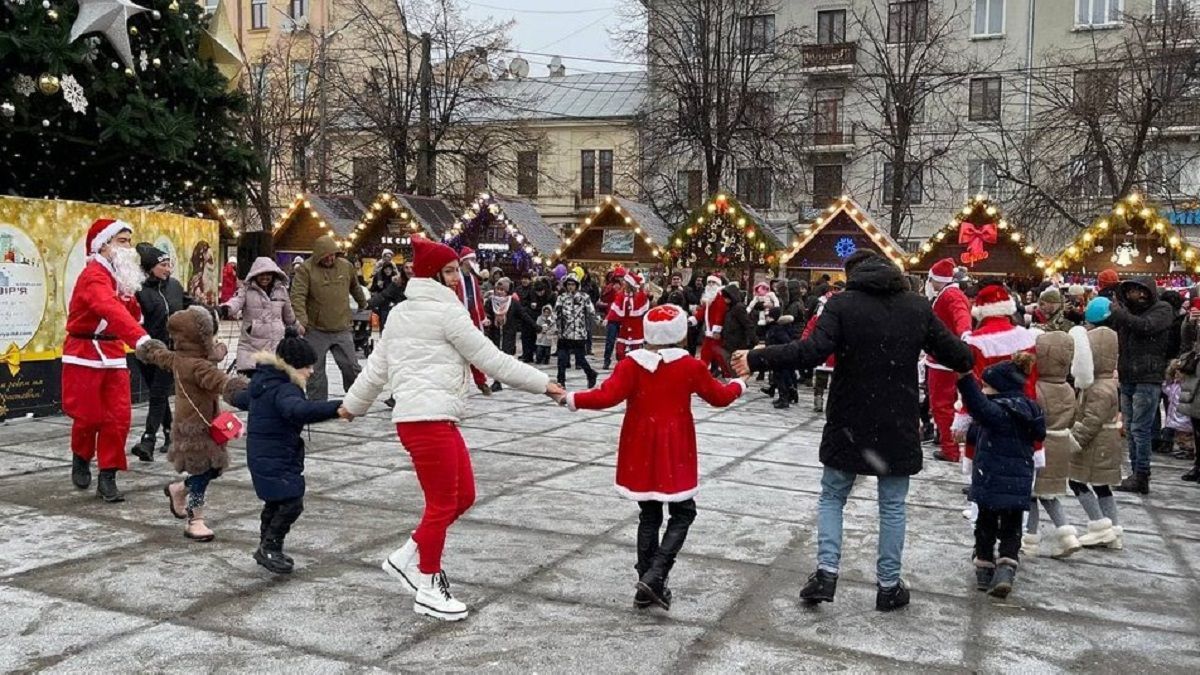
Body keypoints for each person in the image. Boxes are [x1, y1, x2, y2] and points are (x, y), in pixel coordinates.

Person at [732, 250, 973, 612]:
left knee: (833, 496)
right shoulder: (917, 307)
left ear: (853, 274)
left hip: (849, 418)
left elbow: (811, 352)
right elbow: (961, 357)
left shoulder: (843, 304)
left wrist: (758, 356)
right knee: (892, 506)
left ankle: (827, 573)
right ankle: (889, 585)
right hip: (897, 419)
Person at [339, 236, 563, 622]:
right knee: (442, 504)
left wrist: (353, 405)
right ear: (432, 275)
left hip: (434, 418)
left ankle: (407, 556)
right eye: (449, 271)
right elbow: (491, 358)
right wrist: (544, 384)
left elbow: (377, 369)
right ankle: (428, 586)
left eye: (457, 269)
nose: (457, 277)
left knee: (464, 496)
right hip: (425, 420)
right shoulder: (447, 313)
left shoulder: (406, 313)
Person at [557, 304, 746, 610]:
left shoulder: (631, 364)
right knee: (683, 512)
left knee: (650, 514)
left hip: (639, 446)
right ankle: (656, 574)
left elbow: (606, 396)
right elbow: (719, 397)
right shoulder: (690, 367)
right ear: (681, 334)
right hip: (675, 447)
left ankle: (647, 585)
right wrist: (740, 383)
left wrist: (571, 397)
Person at [230, 336, 344, 574]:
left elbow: (243, 399)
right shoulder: (285, 388)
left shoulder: (264, 381)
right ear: (292, 366)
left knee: (276, 501)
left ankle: (268, 546)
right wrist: (338, 408)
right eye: (307, 366)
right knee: (291, 502)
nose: (311, 371)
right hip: (276, 455)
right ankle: (270, 546)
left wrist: (229, 392)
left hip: (265, 454)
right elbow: (298, 410)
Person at [138, 306, 247, 542]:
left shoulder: (181, 358)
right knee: (201, 474)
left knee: (212, 469)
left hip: (207, 424)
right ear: (200, 337)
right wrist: (240, 389)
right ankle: (195, 519)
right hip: (197, 428)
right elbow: (218, 380)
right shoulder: (197, 366)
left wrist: (149, 350)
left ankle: (179, 489)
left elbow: (160, 355)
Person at [62, 218, 152, 502]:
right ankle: (81, 455)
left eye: (129, 241)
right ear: (103, 246)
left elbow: (132, 314)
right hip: (84, 353)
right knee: (89, 417)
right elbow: (108, 309)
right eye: (121, 241)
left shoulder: (119, 277)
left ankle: (108, 475)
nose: (128, 247)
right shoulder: (93, 277)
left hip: (112, 353)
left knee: (118, 418)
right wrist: (140, 339)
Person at [958, 354, 1045, 599]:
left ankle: (985, 569)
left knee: (985, 524)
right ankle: (1006, 567)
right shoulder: (1030, 409)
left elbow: (977, 405)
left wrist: (965, 379)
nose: (984, 391)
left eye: (987, 386)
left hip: (992, 480)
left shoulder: (998, 411)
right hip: (1017, 483)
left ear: (999, 388)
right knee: (1011, 527)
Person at [1101, 276, 1174, 494]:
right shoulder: (1126, 314)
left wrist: (1121, 313)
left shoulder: (1162, 310)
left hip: (1148, 376)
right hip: (1128, 376)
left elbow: (1145, 327)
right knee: (1131, 429)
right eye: (1131, 291)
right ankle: (1135, 472)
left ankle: (1142, 474)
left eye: (1139, 291)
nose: (1135, 295)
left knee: (1140, 429)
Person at [1022, 329, 1089, 560]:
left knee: (1031, 495)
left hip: (1041, 446)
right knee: (1050, 495)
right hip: (1061, 444)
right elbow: (1074, 417)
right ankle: (1067, 535)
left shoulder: (1037, 389)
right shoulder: (1069, 390)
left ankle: (1029, 539)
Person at [1068, 302, 1125, 548]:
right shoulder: (1104, 383)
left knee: (1077, 482)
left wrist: (1074, 441)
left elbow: (1091, 420)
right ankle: (1113, 531)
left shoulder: (1099, 388)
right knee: (1102, 486)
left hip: (1096, 444)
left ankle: (1100, 524)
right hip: (1103, 443)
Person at [131, 243, 193, 462]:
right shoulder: (139, 290)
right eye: (163, 265)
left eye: (169, 265)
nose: (168, 269)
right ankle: (169, 434)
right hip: (145, 351)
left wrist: (207, 313)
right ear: (150, 268)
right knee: (158, 395)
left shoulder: (174, 286)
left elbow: (189, 305)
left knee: (158, 393)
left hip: (170, 350)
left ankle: (148, 440)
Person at [290, 235, 368, 401]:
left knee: (351, 366)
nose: (330, 258)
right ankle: (317, 403)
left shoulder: (346, 267)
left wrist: (363, 303)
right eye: (326, 256)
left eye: (333, 255)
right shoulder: (305, 269)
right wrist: (302, 321)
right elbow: (298, 296)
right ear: (318, 255)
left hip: (342, 327)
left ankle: (358, 398)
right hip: (315, 329)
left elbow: (355, 286)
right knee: (316, 369)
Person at [925, 258, 973, 464]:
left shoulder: (950, 295)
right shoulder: (949, 294)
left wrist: (964, 336)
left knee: (941, 405)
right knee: (943, 405)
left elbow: (961, 318)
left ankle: (950, 448)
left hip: (943, 360)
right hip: (943, 357)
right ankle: (947, 443)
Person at [221, 257, 298, 375]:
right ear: (255, 274)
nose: (265, 277)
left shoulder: (281, 291)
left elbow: (288, 314)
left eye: (268, 274)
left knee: (273, 388)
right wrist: (225, 309)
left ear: (273, 274)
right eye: (261, 274)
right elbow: (236, 301)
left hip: (275, 347)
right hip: (251, 347)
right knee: (250, 387)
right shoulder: (246, 290)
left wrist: (297, 326)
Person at [454, 247, 492, 395]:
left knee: (475, 350)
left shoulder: (473, 279)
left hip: (473, 318)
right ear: (464, 261)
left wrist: (483, 317)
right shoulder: (457, 278)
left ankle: (481, 381)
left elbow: (479, 301)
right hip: (459, 318)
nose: (475, 263)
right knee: (458, 353)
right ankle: (459, 382)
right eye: (473, 260)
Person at [555, 276, 599, 389]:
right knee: (562, 358)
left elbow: (591, 311)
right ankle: (561, 381)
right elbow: (556, 313)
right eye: (568, 284)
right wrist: (547, 324)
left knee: (580, 358)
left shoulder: (584, 297)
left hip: (579, 333)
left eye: (573, 284)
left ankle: (590, 374)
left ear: (577, 285)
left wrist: (599, 320)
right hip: (564, 333)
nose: (570, 287)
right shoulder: (561, 298)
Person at [692, 275, 731, 377]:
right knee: (706, 352)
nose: (710, 285)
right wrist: (694, 319)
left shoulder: (719, 297)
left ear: (718, 285)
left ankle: (728, 373)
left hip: (715, 331)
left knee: (718, 354)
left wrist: (717, 330)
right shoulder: (709, 299)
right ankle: (702, 371)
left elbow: (720, 313)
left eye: (713, 283)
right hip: (710, 331)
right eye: (709, 283)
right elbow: (703, 311)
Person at [612, 271, 650, 361]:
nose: (623, 283)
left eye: (625, 282)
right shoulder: (621, 295)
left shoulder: (640, 295)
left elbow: (644, 309)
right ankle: (623, 366)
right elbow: (615, 307)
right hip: (624, 327)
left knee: (636, 352)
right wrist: (609, 318)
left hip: (636, 327)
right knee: (620, 352)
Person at [601, 268, 626, 368]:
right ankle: (606, 360)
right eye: (618, 277)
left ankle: (621, 360)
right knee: (610, 341)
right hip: (612, 317)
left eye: (621, 277)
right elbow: (604, 297)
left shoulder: (626, 288)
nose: (619, 279)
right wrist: (611, 289)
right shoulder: (610, 286)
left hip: (623, 318)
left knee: (621, 341)